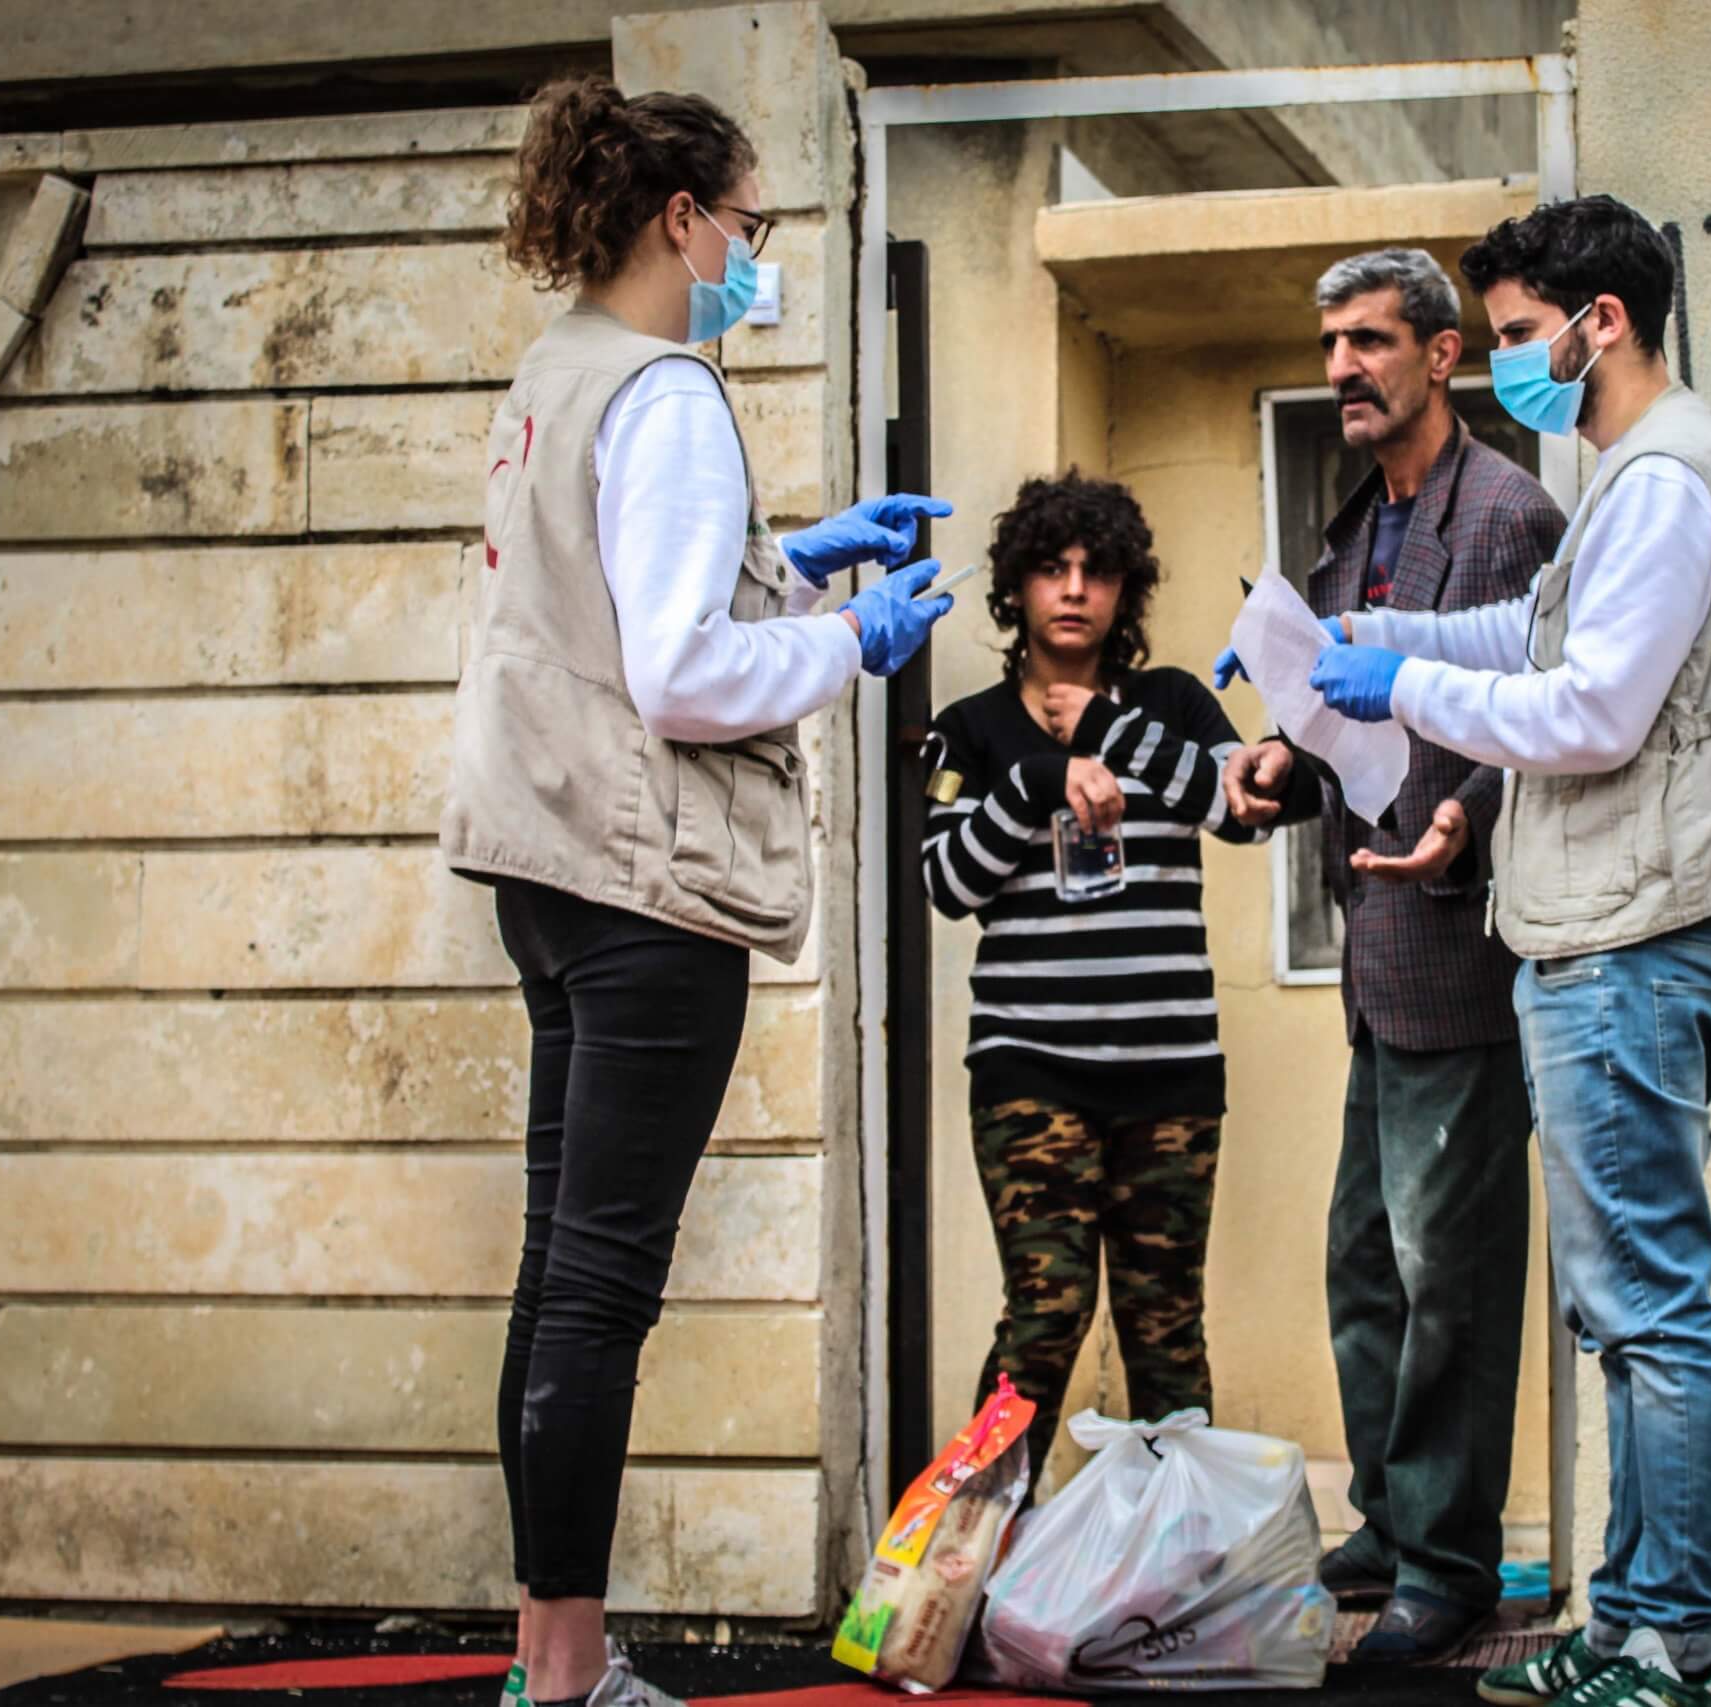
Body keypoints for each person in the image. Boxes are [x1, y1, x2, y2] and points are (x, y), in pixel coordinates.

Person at [440, 77, 957, 1707]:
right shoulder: (667, 390)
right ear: (682, 220)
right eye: (752, 224)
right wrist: (845, 643)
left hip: (546, 866)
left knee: (555, 1273)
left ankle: (546, 1660)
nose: (757, 253)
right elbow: (677, 670)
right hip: (646, 885)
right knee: (603, 1284)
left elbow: (619, 601)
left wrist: (798, 559)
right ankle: (578, 1669)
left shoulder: (557, 372)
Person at [1286, 195, 1711, 1707]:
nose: (1509, 364)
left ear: (1602, 322)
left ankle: (1668, 1642)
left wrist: (1410, 696)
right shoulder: (1642, 474)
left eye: (1515, 337)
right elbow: (1530, 640)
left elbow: (1589, 713)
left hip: (1630, 948)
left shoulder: (1660, 481)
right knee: (1625, 1314)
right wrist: (1389, 654)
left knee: (1649, 1312)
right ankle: (1635, 1622)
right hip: (1604, 943)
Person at [1216, 249, 1565, 1664]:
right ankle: (1388, 1511)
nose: (1344, 366)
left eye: (1370, 341)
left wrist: (1463, 821)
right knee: (1366, 1259)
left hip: (1462, 946)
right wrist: (1272, 771)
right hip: (1375, 949)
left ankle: (1450, 1557)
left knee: (1450, 1273)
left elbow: (1549, 714)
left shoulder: (1515, 515)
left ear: (1438, 353)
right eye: (1330, 343)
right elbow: (1338, 721)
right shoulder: (1350, 523)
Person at [919, 472, 1269, 1485]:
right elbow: (945, 881)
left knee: (1167, 1336)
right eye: (1050, 569)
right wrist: (1035, 779)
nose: (1073, 590)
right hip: (1034, 1074)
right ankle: (962, 1566)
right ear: (1019, 589)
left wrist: (1107, 735)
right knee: (1044, 1319)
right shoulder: (972, 730)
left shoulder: (1169, 705)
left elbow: (1238, 809)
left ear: (1126, 590)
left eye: (1097, 571)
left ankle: (1173, 1578)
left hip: (1171, 1075)